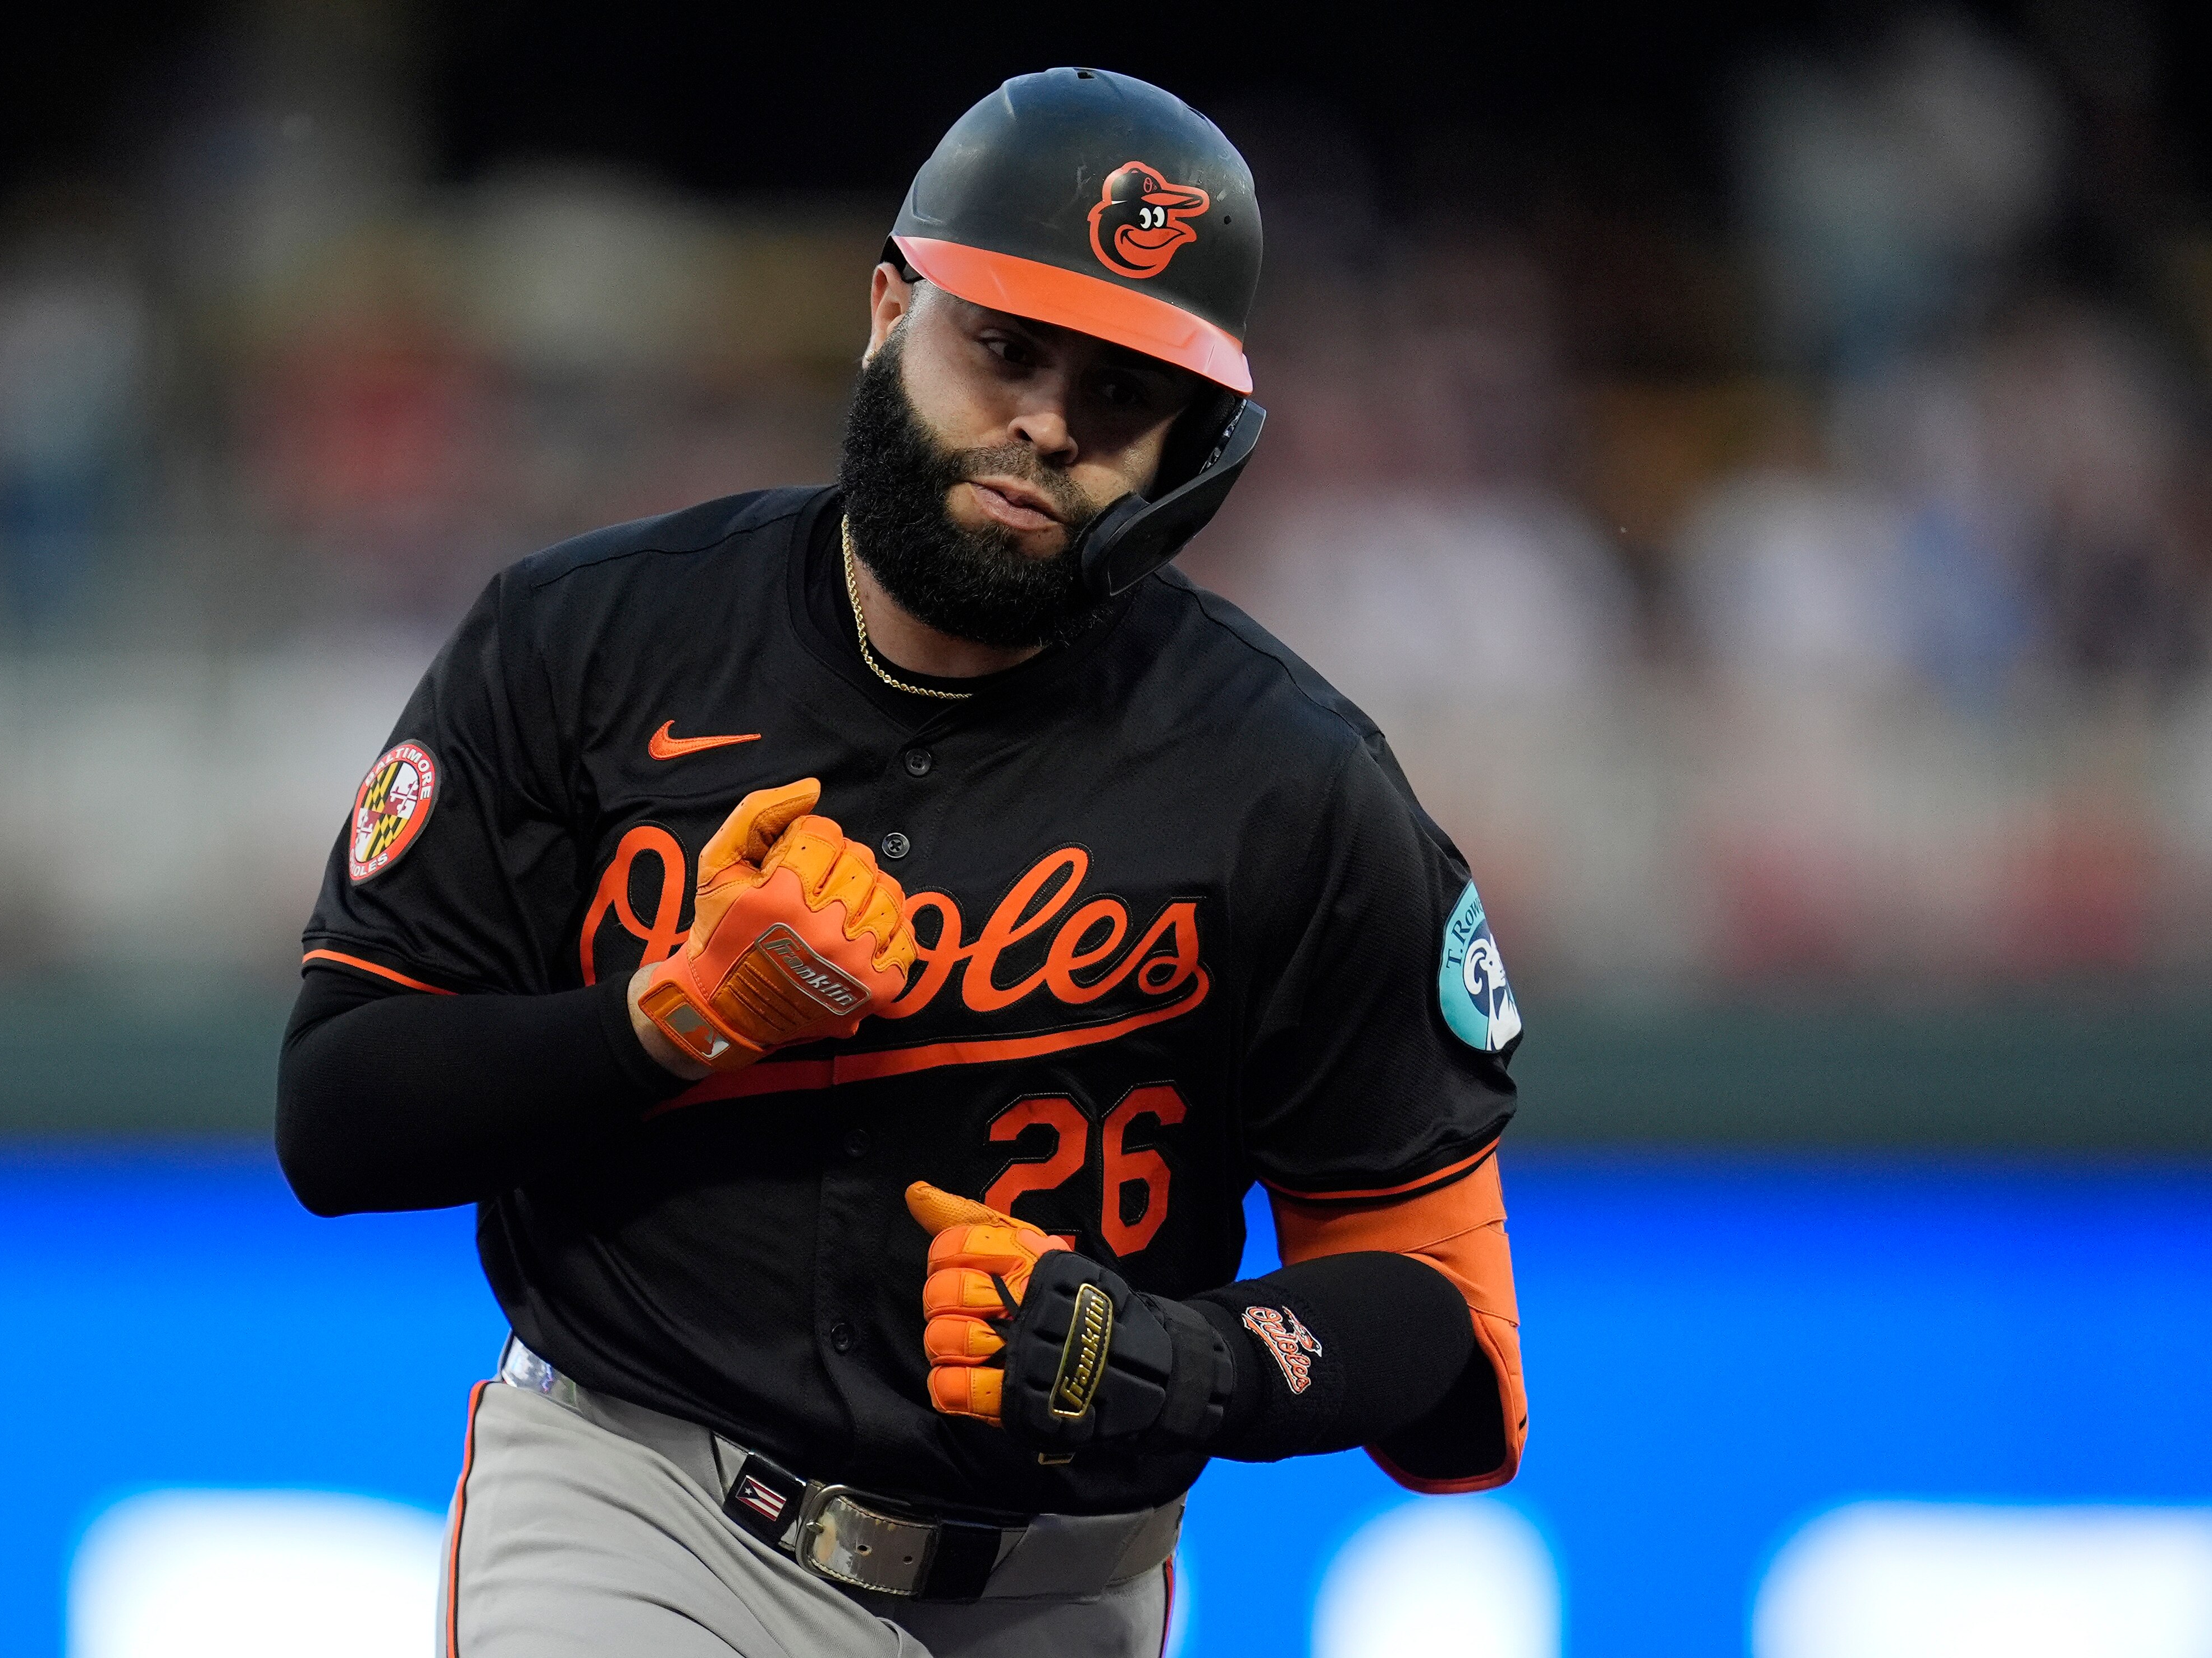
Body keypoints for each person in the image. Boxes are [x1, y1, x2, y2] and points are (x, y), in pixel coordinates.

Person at [278, 66, 1527, 1658]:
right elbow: (340, 1115)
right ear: (888, 309)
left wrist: (1186, 1360)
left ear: (1192, 444)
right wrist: (663, 1020)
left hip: (1056, 1582)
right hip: (642, 1506)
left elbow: (1436, 1320)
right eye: (1001, 344)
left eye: (1123, 394)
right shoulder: (587, 640)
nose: (1047, 423)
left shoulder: (1288, 781)